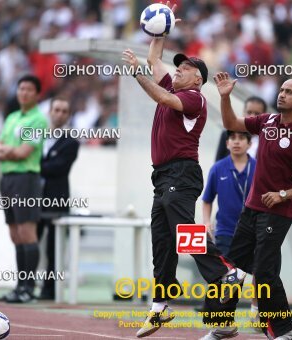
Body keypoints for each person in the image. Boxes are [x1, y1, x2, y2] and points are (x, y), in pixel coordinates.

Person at [122, 3, 241, 338]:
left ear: (197, 78)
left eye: (185, 68)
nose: (177, 70)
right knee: (162, 240)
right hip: (163, 176)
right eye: (178, 67)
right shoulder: (175, 86)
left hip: (181, 173)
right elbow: (152, 60)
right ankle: (160, 307)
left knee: (184, 233)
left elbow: (160, 96)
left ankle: (224, 272)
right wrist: (161, 31)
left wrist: (137, 74)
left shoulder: (194, 99)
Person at [200, 74, 292, 340]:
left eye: (289, 92)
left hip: (277, 213)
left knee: (265, 273)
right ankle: (223, 325)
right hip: (251, 210)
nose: (281, 94)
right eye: (281, 89)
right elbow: (231, 122)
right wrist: (224, 97)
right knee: (231, 268)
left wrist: (284, 194)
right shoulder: (267, 121)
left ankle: (288, 330)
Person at [0, 75, 48, 303]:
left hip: (26, 179)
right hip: (8, 179)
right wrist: (7, 151)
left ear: (36, 94)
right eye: (21, 88)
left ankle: (28, 288)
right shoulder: (12, 118)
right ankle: (19, 287)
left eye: (28, 89)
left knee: (26, 232)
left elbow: (22, 153)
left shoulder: (38, 120)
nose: (23, 93)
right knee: (14, 233)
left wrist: (6, 151)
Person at [37, 97, 79, 300]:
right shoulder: (37, 137)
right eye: (57, 110)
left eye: (64, 111)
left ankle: (49, 290)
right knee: (29, 243)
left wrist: (31, 166)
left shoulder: (71, 142)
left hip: (57, 200)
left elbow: (57, 168)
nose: (60, 114)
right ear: (50, 112)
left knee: (54, 248)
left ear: (68, 115)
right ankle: (24, 286)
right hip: (34, 200)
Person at [203, 130, 256, 255]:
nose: (236, 141)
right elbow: (207, 199)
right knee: (227, 271)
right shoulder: (217, 168)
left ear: (249, 144)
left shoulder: (258, 168)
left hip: (252, 232)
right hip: (224, 231)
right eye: (233, 138)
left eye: (241, 138)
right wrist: (206, 222)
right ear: (227, 143)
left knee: (251, 272)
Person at [215, 96, 266, 161]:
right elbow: (218, 163)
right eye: (249, 112)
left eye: (257, 114)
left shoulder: (269, 139)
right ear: (243, 112)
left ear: (264, 116)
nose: (252, 116)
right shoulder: (227, 134)